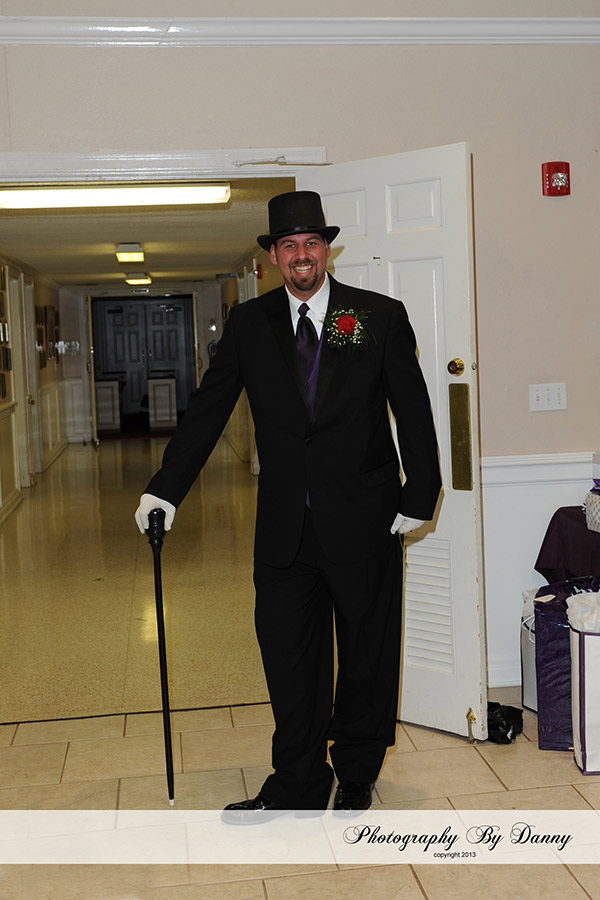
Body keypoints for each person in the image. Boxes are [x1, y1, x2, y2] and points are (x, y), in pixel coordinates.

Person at [135, 190, 441, 822]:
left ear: (326, 249)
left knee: (366, 651)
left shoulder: (377, 316)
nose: (302, 255)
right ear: (273, 257)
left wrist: (420, 492)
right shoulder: (250, 325)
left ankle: (357, 769)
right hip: (283, 529)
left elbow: (413, 409)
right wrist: (164, 488)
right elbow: (209, 410)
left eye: (312, 243)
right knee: (289, 655)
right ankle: (298, 779)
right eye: (289, 245)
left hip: (365, 518)